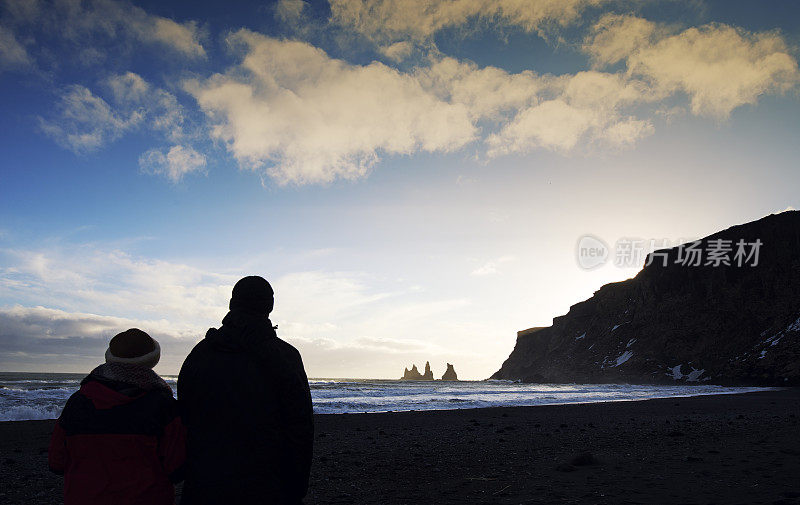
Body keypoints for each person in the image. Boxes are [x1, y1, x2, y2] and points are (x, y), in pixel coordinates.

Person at [178, 275, 314, 505]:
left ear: (232, 304)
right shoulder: (286, 357)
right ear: (270, 306)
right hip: (268, 484)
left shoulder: (201, 353)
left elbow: (184, 416)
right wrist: (296, 485)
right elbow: (300, 425)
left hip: (206, 483)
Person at [48, 328, 185, 505]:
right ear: (152, 359)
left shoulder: (78, 401)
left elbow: (56, 462)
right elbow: (177, 467)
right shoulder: (163, 405)